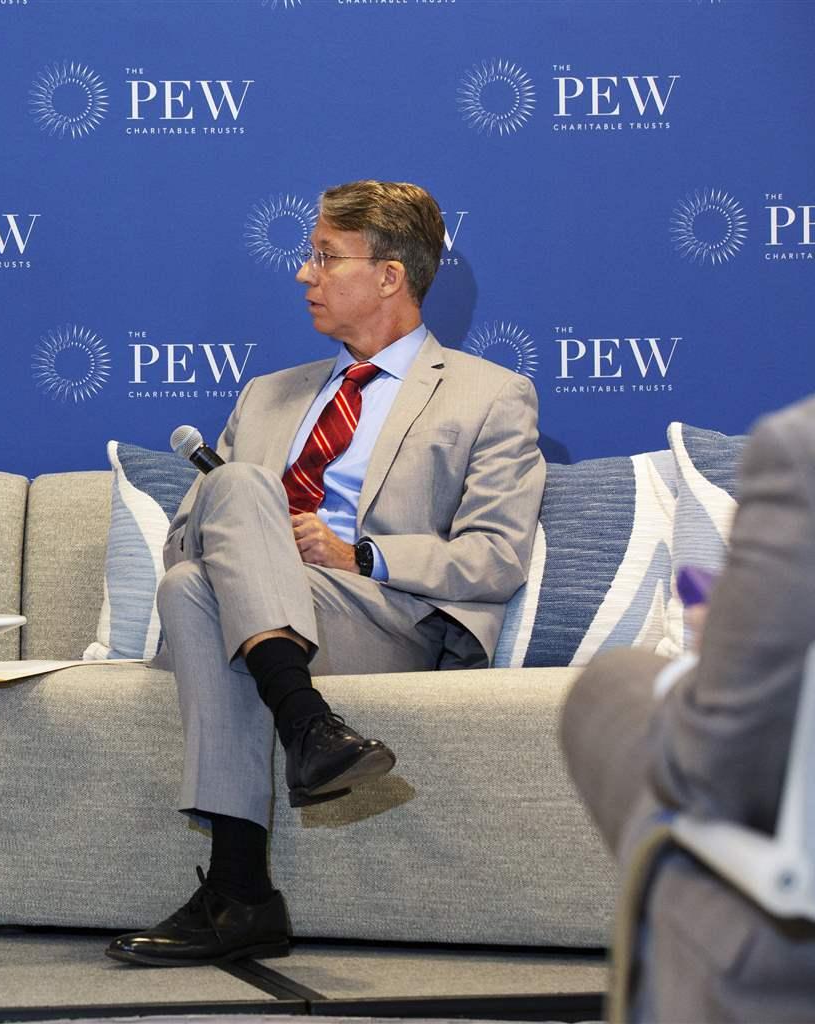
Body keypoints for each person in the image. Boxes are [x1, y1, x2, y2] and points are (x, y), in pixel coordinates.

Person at [108, 180, 545, 966]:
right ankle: (307, 727)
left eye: (324, 257)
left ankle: (240, 892)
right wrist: (260, 531)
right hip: (257, 604)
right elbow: (184, 547)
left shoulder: (490, 396)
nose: (303, 274)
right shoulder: (267, 396)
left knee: (206, 572)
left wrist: (359, 554)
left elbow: (495, 557)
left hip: (381, 618)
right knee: (206, 550)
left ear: (390, 275)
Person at [560, 388, 815, 1021]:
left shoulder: (807, 455)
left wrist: (716, 659)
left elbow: (718, 769)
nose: (305, 279)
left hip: (800, 944)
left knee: (615, 685)